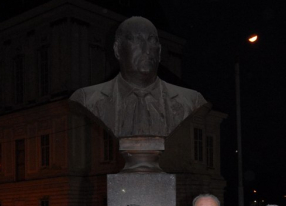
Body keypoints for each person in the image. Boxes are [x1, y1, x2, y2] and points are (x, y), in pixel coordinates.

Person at [70, 16, 206, 138]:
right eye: (136, 40)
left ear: (159, 51)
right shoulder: (86, 99)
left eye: (152, 40)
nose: (146, 49)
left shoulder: (192, 101)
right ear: (117, 50)